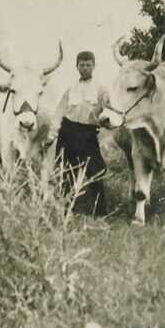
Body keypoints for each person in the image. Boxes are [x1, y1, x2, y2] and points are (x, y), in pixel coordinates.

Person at [54, 50, 110, 215]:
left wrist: (106, 136)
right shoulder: (70, 89)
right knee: (67, 174)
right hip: (68, 133)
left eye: (88, 65)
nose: (85, 68)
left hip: (88, 134)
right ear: (76, 67)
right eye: (82, 65)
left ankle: (100, 213)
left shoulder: (101, 89)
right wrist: (52, 135)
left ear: (94, 66)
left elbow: (108, 111)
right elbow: (59, 113)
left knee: (96, 172)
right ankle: (66, 211)